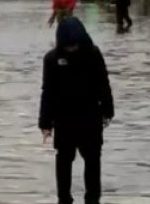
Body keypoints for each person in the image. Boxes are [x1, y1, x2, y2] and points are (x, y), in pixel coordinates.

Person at [38, 17, 114, 204]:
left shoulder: (93, 55)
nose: (72, 49)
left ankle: (93, 198)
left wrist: (107, 110)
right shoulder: (52, 59)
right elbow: (47, 91)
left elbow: (103, 84)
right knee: (64, 159)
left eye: (75, 45)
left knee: (93, 159)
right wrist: (45, 123)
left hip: (90, 116)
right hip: (63, 118)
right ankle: (64, 198)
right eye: (68, 46)